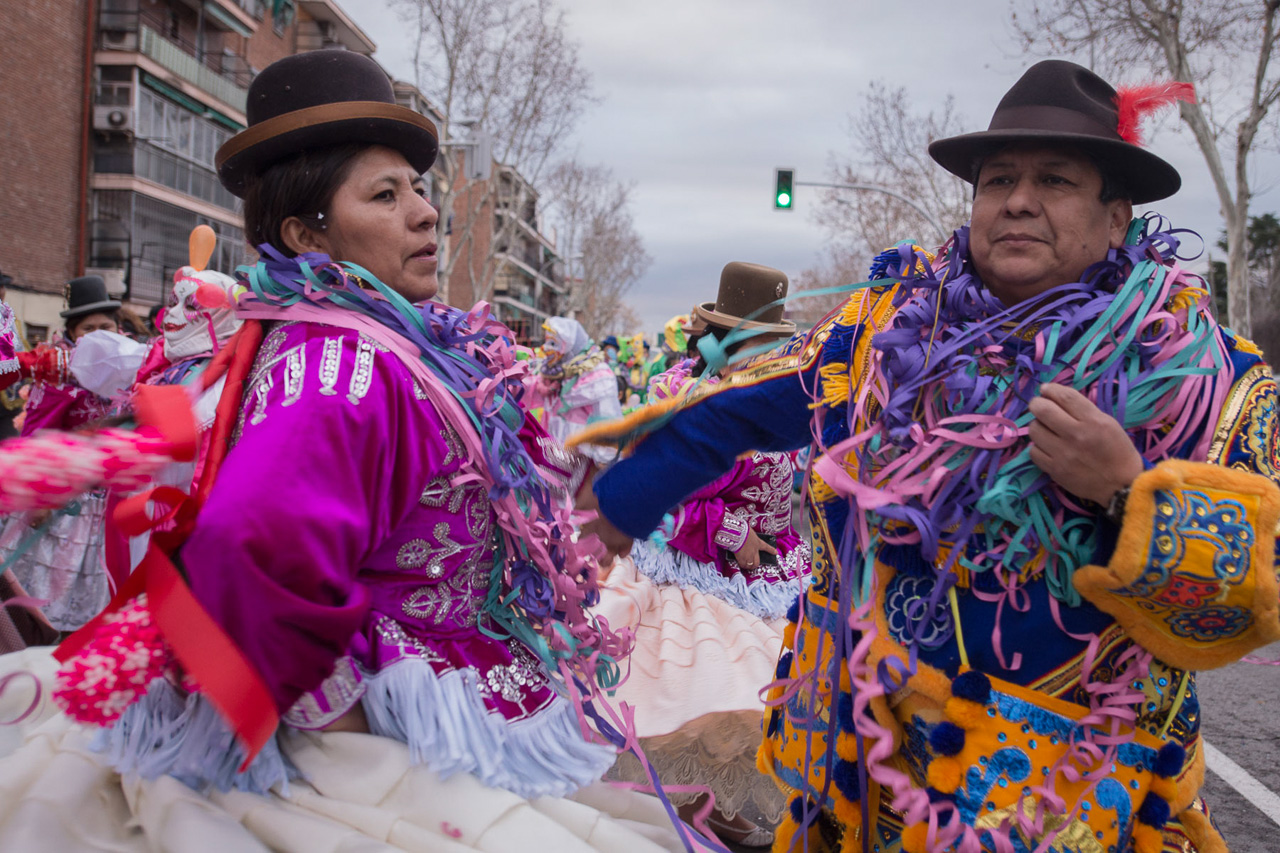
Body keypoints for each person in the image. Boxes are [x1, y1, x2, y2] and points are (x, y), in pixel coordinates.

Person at [576, 61, 1274, 853]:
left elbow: (1243, 600)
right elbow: (726, 416)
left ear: (1116, 218)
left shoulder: (1204, 374)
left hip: (1066, 806)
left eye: (1054, 180)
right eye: (998, 179)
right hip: (862, 781)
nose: (1017, 199)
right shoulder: (882, 340)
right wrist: (613, 516)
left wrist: (1124, 492)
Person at [0, 50, 680, 852]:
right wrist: (346, 731)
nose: (425, 213)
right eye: (384, 196)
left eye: (419, 189)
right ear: (305, 234)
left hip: (451, 721)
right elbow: (244, 542)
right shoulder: (344, 365)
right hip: (391, 744)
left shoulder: (372, 346)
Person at [597, 263, 811, 848]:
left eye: (774, 343)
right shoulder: (679, 389)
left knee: (777, 700)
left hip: (776, 574)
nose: (769, 353)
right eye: (758, 342)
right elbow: (666, 489)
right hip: (691, 571)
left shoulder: (785, 391)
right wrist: (734, 530)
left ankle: (724, 808)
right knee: (711, 694)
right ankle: (700, 810)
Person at [0, 276, 120, 634]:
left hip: (108, 504)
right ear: (72, 332)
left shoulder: (127, 365)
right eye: (89, 328)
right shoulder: (57, 372)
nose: (99, 334)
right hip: (63, 505)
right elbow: (37, 434)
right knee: (49, 598)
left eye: (106, 326)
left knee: (96, 597)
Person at [531, 316, 622, 468]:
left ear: (569, 347)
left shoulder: (597, 376)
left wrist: (604, 463)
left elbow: (608, 424)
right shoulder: (551, 375)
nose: (545, 348)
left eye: (553, 343)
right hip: (552, 458)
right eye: (546, 342)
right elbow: (527, 390)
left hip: (584, 463)